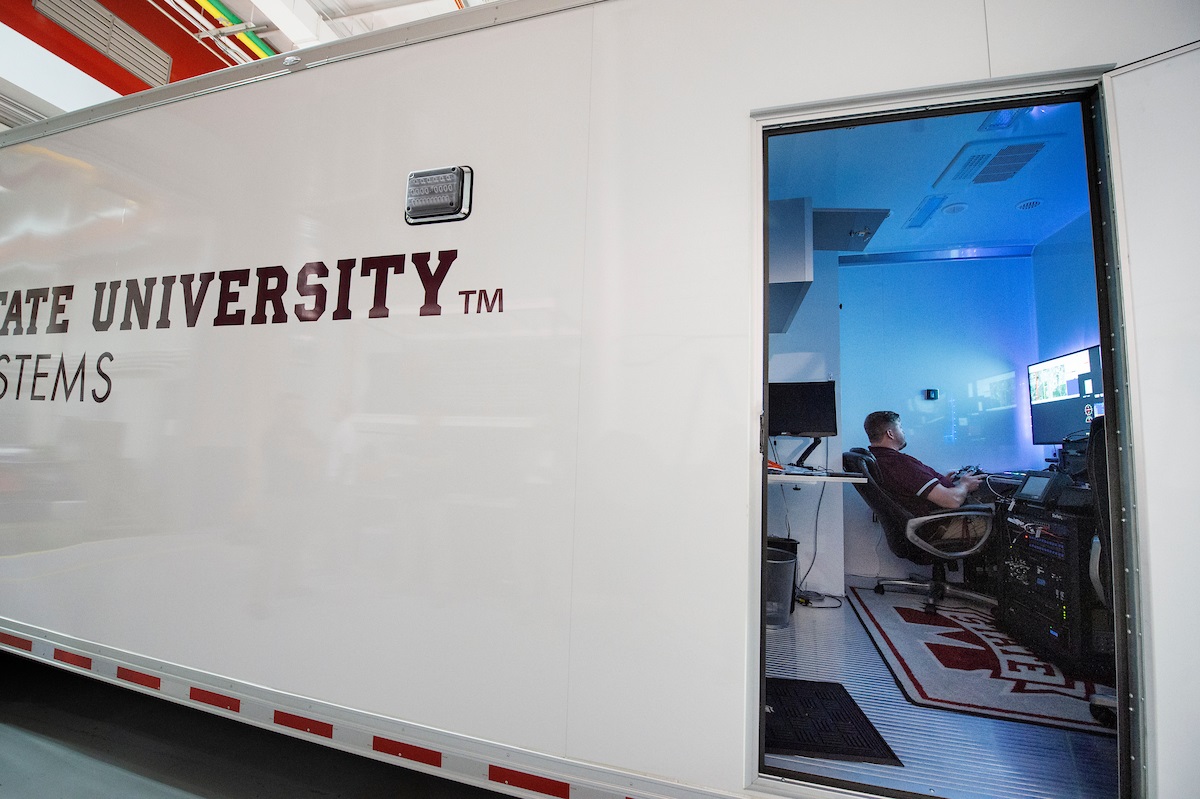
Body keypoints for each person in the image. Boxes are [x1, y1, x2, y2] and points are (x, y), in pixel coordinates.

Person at [863, 410, 985, 517]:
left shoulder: (879, 459)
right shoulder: (898, 463)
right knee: (999, 520)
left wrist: (943, 482)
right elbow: (952, 501)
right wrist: (965, 485)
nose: (903, 432)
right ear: (890, 433)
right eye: (900, 428)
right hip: (943, 526)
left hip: (929, 523)